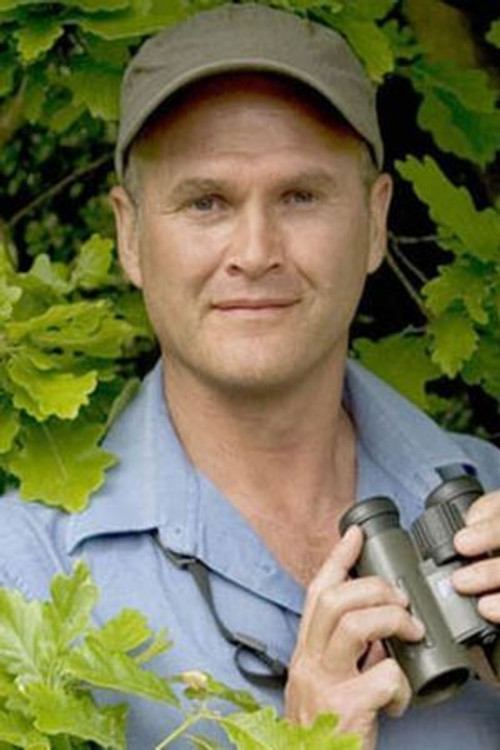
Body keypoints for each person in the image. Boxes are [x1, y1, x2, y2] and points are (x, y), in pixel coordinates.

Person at [1, 4, 500, 749]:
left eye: (300, 196)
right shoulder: (23, 578)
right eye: (206, 202)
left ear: (375, 223)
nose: (256, 251)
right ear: (130, 235)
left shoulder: (488, 492)